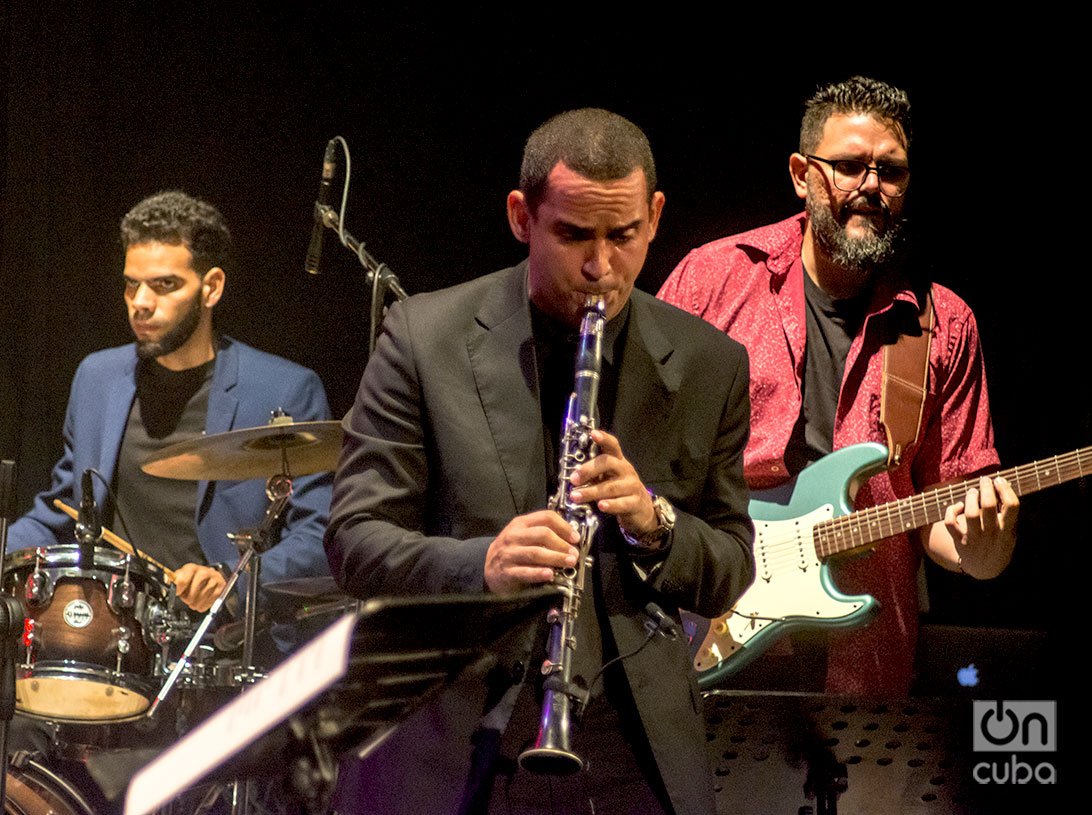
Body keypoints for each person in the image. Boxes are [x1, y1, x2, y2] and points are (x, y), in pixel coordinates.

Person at [326, 108, 754, 815]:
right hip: (449, 738)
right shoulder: (423, 337)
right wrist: (481, 562)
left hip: (628, 752)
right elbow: (354, 540)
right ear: (522, 217)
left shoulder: (711, 362)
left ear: (654, 216)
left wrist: (654, 523)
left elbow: (732, 559)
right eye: (573, 235)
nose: (600, 266)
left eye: (623, 236)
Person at [0, 190, 335, 811]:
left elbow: (318, 538)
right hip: (105, 647)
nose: (141, 303)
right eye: (131, 285)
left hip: (212, 656)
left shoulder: (284, 388)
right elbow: (60, 514)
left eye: (163, 285)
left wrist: (230, 584)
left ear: (211, 287)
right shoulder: (98, 377)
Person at [658, 76, 1018, 697]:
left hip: (864, 668)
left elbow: (943, 514)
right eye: (849, 167)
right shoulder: (711, 280)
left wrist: (984, 550)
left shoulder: (944, 323)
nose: (871, 187)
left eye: (892, 172)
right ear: (802, 174)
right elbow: (635, 448)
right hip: (700, 640)